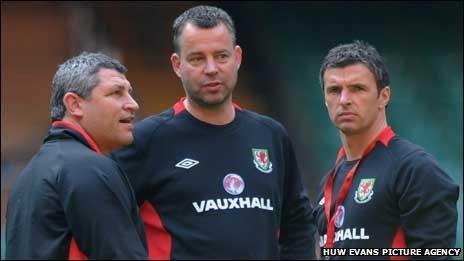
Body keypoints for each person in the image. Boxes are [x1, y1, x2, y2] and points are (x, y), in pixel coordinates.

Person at [112, 5, 316, 260]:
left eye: (221, 56)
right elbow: (103, 222)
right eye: (197, 58)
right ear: (177, 65)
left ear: (238, 57)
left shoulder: (271, 135)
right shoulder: (147, 140)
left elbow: (297, 224)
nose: (211, 69)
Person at [312, 40, 459, 259]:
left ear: (384, 96)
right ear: (325, 100)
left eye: (357, 89)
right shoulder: (330, 180)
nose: (344, 100)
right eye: (334, 90)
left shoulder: (414, 170)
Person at [5, 52, 148, 259]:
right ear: (74, 104)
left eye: (129, 93)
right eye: (116, 93)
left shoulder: (30, 172)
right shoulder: (90, 168)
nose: (133, 104)